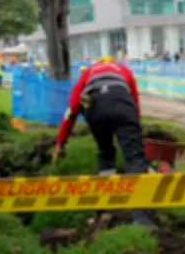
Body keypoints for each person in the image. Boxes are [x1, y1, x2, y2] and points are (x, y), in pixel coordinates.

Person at [53, 56, 156, 229]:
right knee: (134, 160)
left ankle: (105, 207)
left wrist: (60, 143)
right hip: (123, 105)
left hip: (95, 108)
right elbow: (135, 102)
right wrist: (134, 135)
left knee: (106, 152)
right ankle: (142, 219)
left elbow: (71, 110)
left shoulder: (87, 75)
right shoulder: (124, 70)